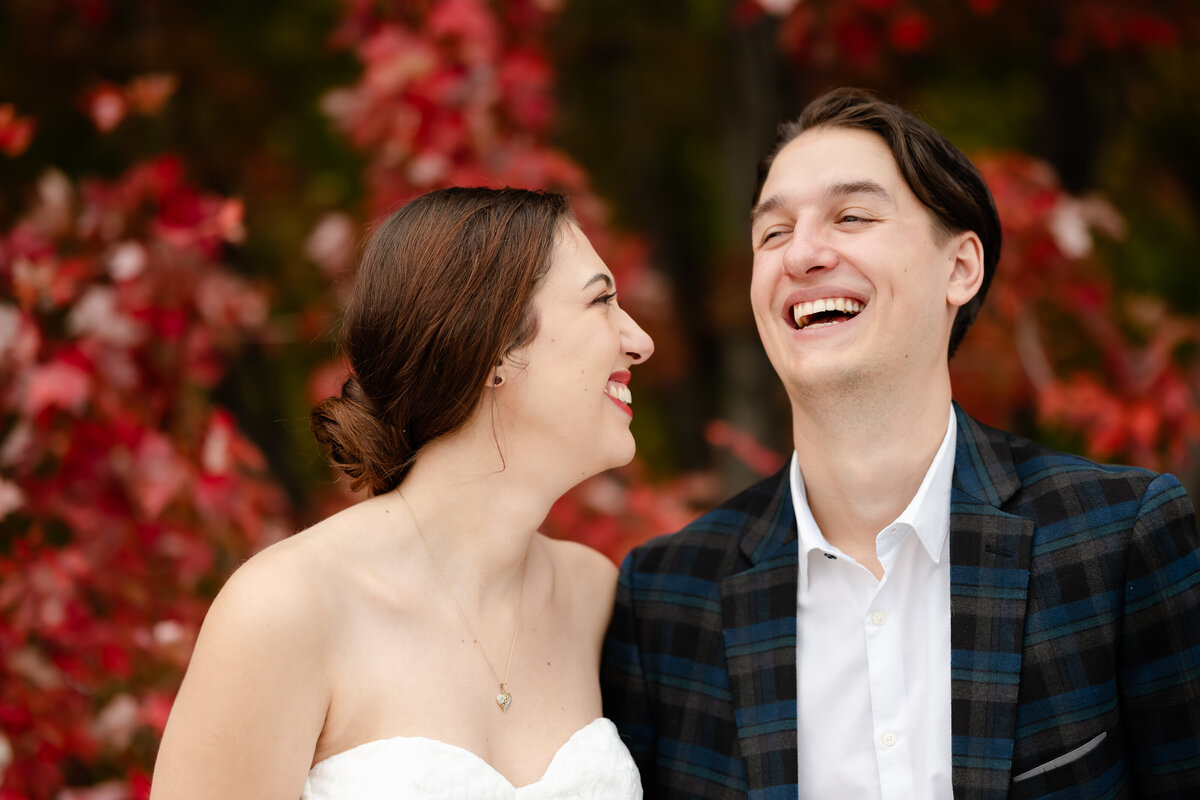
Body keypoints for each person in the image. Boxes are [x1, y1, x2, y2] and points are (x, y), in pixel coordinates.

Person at [601, 87, 1200, 799]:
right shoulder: (664, 599)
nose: (802, 254)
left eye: (851, 216)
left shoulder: (1119, 539)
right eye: (772, 233)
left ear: (961, 268)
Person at [150, 187, 653, 799]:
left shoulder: (594, 596)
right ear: (491, 343)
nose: (639, 340)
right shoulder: (286, 609)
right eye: (601, 300)